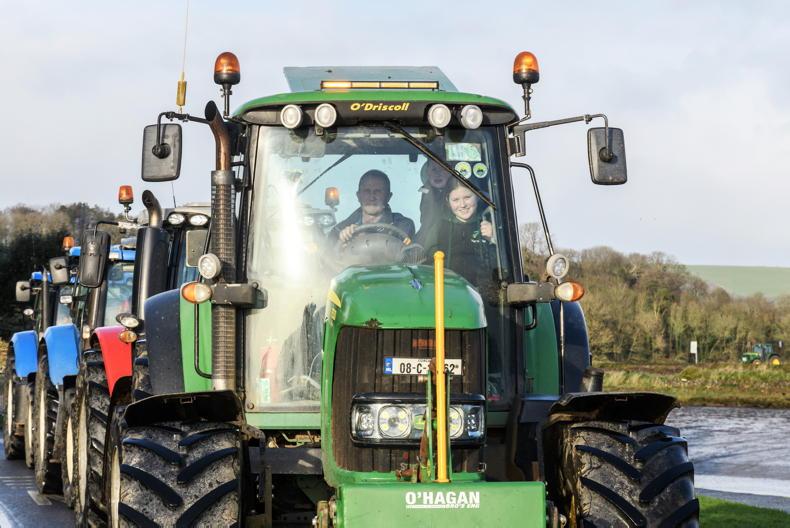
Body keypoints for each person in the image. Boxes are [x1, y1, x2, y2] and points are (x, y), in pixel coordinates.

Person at [422, 180, 496, 285]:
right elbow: (426, 265)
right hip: (446, 289)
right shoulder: (439, 228)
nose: (462, 205)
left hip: (484, 290)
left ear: (478, 196)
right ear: (448, 201)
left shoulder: (493, 223)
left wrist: (493, 239)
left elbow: (503, 268)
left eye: (467, 197)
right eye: (455, 200)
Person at [330, 169, 415, 242]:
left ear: (388, 197)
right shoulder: (339, 230)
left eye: (378, 191)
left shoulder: (402, 226)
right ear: (358, 196)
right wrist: (343, 242)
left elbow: (404, 252)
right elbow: (328, 254)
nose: (372, 197)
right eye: (367, 191)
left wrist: (362, 236)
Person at [415, 160, 452, 240]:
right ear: (427, 173)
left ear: (451, 172)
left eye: (443, 169)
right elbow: (426, 220)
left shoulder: (460, 194)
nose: (438, 173)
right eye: (433, 169)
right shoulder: (426, 191)